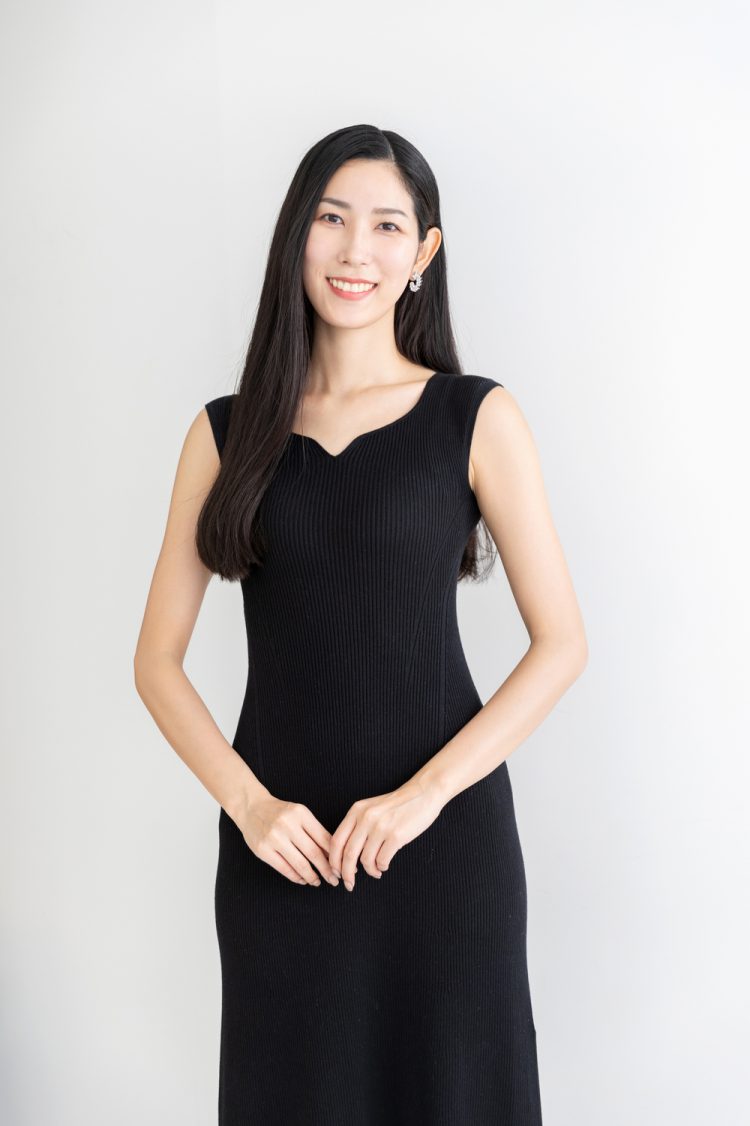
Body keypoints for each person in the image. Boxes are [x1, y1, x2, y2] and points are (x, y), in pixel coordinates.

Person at [134, 123, 588, 1125]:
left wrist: (423, 798)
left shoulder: (476, 416)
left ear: (424, 252)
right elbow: (157, 661)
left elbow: (562, 643)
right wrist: (252, 808)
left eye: (387, 226)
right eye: (332, 219)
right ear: (296, 232)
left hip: (445, 854)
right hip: (282, 856)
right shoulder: (225, 433)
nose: (355, 250)